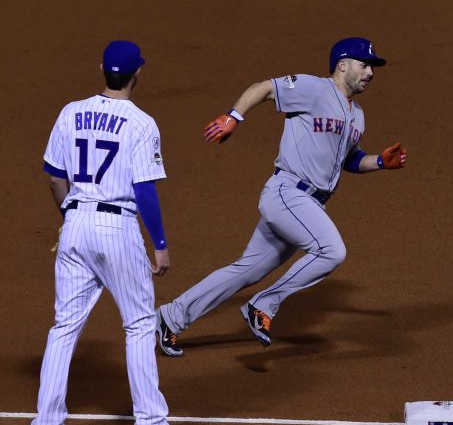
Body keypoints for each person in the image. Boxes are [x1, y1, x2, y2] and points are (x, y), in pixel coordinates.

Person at [155, 37, 407, 357]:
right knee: (331, 250)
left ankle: (170, 317)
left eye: (372, 67)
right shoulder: (313, 89)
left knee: (246, 270)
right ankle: (264, 304)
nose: (371, 72)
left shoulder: (357, 114)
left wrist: (380, 162)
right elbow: (263, 88)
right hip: (287, 193)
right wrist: (233, 116)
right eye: (365, 65)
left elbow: (349, 159)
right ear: (343, 65)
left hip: (307, 205)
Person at [34, 40, 170, 425]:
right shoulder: (141, 123)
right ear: (137, 73)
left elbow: (55, 178)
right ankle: (151, 420)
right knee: (139, 324)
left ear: (102, 69)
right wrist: (159, 244)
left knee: (64, 326)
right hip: (118, 226)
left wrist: (71, 215)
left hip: (75, 224)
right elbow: (144, 190)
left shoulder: (70, 112)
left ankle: (47, 419)